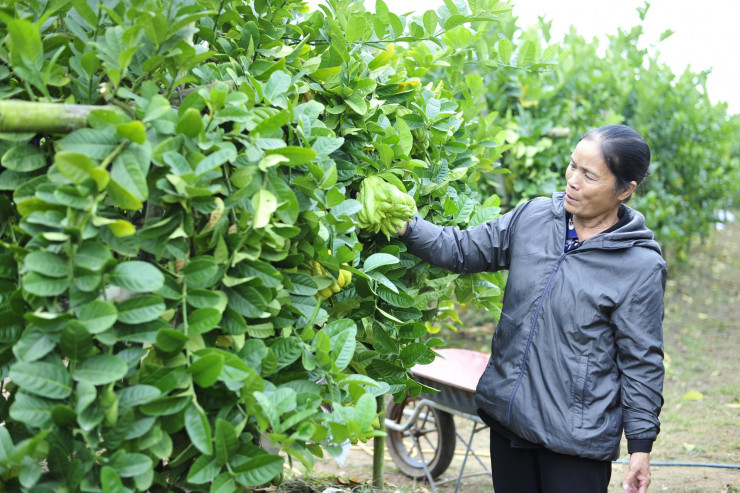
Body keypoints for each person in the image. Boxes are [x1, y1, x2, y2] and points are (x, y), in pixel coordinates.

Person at [396, 124, 666, 493]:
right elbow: (461, 250)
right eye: (572, 166)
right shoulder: (535, 217)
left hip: (576, 437)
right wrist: (406, 226)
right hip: (511, 418)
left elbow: (641, 359)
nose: (572, 180)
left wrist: (640, 447)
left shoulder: (639, 265)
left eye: (589, 175)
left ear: (624, 190)